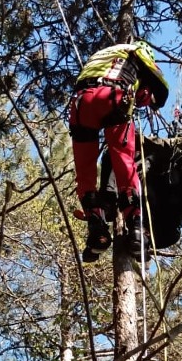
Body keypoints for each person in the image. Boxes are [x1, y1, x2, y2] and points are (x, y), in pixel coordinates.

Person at [68, 41, 170, 262]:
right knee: (124, 162)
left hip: (80, 103)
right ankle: (134, 227)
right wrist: (150, 98)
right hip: (111, 95)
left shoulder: (101, 54)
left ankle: (97, 228)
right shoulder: (136, 50)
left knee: (85, 172)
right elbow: (159, 88)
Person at [98, 91, 182, 257]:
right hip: (163, 217)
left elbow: (169, 148)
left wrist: (136, 139)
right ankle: (139, 237)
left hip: (162, 205)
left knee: (117, 152)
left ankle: (106, 205)